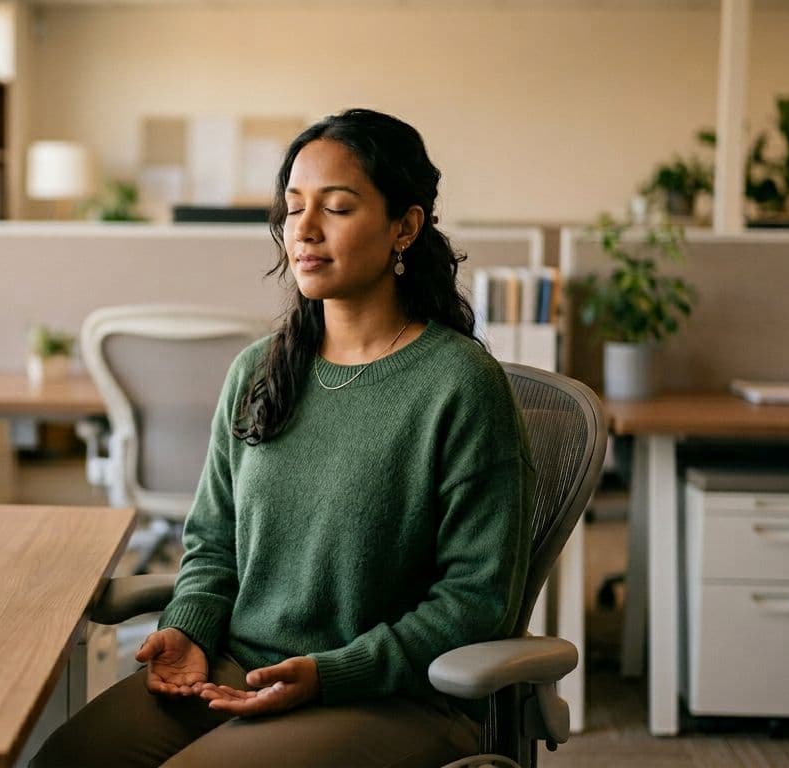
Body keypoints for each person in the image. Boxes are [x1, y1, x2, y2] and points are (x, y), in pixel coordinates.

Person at [32, 108, 535, 768]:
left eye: (338, 207)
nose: (304, 229)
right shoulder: (261, 370)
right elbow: (213, 540)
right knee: (65, 758)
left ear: (405, 228)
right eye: (293, 206)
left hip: (392, 694)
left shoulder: (459, 385)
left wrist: (332, 674)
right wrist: (189, 625)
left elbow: (475, 604)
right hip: (240, 666)